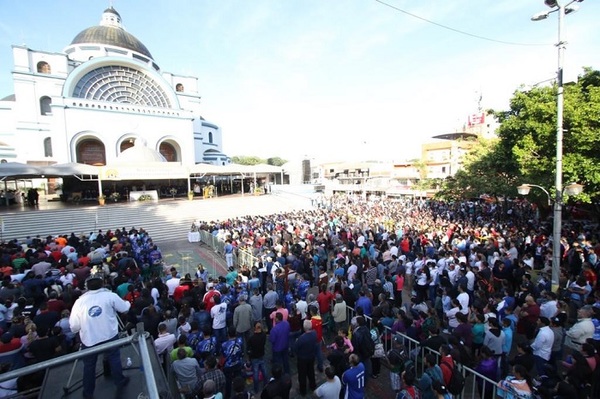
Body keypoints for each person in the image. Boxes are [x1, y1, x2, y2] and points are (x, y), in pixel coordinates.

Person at [69, 275, 131, 399]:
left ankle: (88, 393)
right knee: (114, 359)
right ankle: (119, 381)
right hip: (109, 335)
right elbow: (124, 309)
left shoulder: (79, 302)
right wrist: (127, 303)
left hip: (90, 339)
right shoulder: (109, 296)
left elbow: (74, 327)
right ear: (102, 284)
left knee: (89, 366)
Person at [294, 319, 318, 396]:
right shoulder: (314, 333)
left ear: (304, 328)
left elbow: (295, 348)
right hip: (311, 356)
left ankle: (303, 391)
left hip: (302, 359)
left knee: (302, 375)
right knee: (311, 372)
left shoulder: (301, 339)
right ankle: (313, 386)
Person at [221, 326, 243, 399]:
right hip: (238, 363)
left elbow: (223, 355)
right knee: (238, 377)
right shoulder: (240, 341)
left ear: (228, 334)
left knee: (228, 381)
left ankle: (227, 395)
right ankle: (240, 391)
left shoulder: (224, 344)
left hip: (228, 366)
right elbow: (241, 352)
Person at [247, 321, 267, 395]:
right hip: (261, 355)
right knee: (264, 369)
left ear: (254, 328)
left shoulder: (252, 338)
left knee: (255, 373)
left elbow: (248, 348)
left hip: (254, 357)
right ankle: (266, 383)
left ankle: (256, 389)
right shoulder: (264, 335)